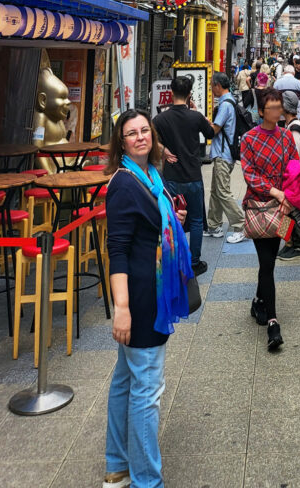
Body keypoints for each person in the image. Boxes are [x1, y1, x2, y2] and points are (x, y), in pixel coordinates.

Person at [104, 109, 190, 488]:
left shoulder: (151, 176)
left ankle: (117, 465)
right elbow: (117, 249)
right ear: (120, 142)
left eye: (144, 131)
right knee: (147, 390)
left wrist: (173, 219)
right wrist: (121, 309)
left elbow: (151, 224)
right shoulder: (124, 183)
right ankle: (146, 482)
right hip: (141, 296)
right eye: (131, 133)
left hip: (151, 285)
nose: (140, 137)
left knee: (126, 379)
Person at [241, 89, 300, 351]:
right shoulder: (249, 138)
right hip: (259, 207)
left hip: (285, 209)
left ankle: (258, 301)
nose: (277, 112)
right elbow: (249, 174)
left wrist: (290, 197)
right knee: (266, 263)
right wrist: (275, 191)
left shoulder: (287, 136)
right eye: (272, 108)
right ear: (262, 111)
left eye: (279, 108)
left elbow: (295, 168)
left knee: (269, 262)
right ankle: (273, 323)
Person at [152, 76, 212, 276]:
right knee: (195, 220)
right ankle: (194, 262)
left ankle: (175, 260)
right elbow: (211, 132)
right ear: (189, 94)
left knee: (172, 219)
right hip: (193, 176)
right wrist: (197, 112)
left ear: (171, 93)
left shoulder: (161, 119)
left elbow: (151, 139)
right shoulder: (195, 117)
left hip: (171, 177)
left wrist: (163, 149)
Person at [205, 72, 246, 244]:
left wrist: (203, 121)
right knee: (216, 190)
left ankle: (240, 224)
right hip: (223, 154)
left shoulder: (225, 105)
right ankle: (214, 225)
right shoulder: (229, 101)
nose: (211, 89)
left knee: (222, 191)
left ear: (218, 86)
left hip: (223, 155)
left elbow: (214, 130)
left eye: (212, 85)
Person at [277, 90, 300, 261]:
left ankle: (293, 245)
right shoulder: (291, 126)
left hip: (294, 179)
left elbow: (294, 158)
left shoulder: (294, 130)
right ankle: (288, 243)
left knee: (288, 212)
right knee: (287, 212)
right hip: (292, 177)